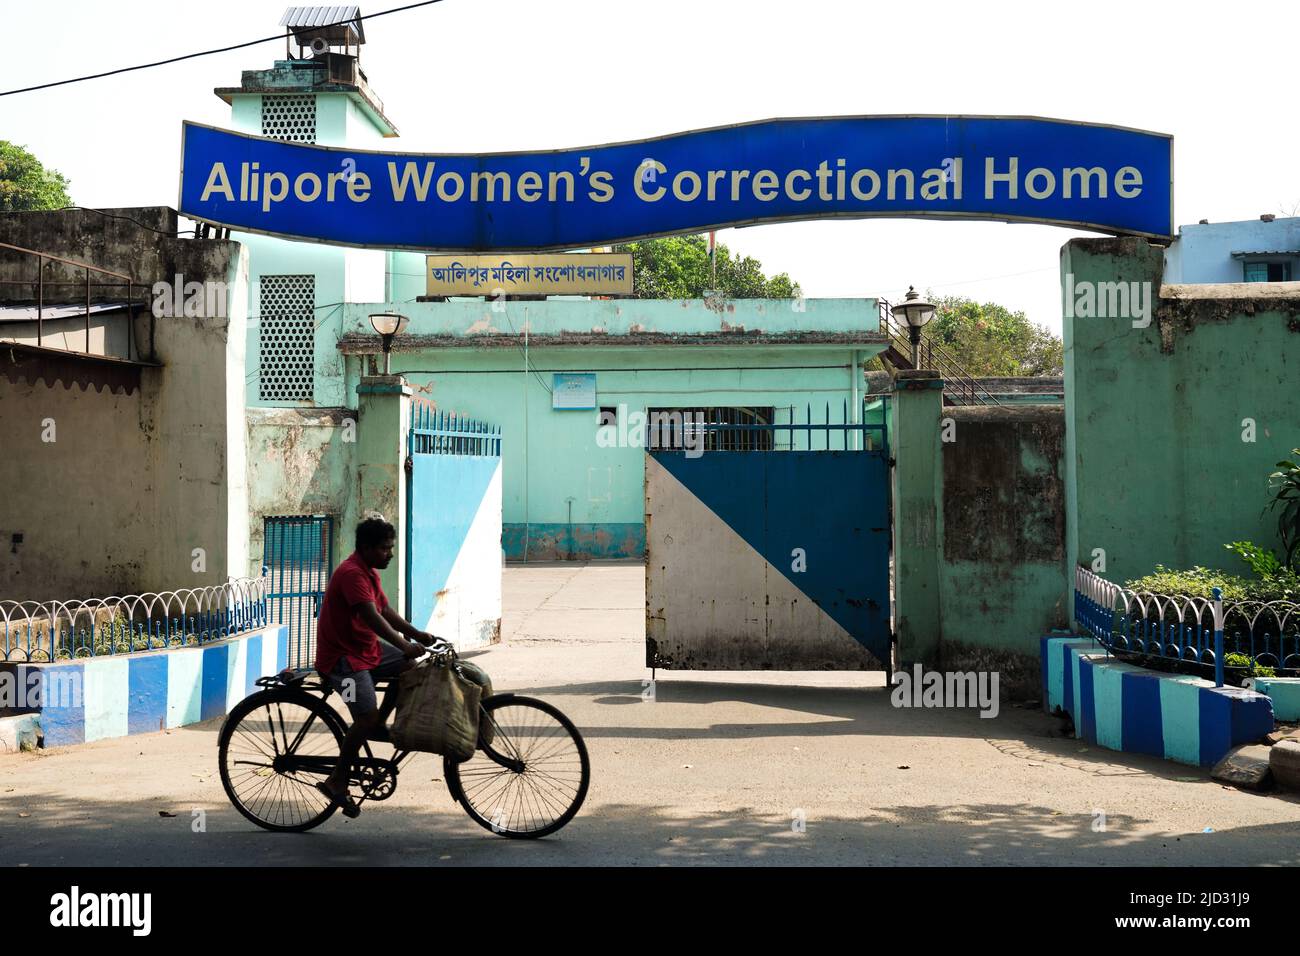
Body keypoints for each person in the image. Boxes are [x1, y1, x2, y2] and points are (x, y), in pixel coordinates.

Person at [314, 516, 441, 817]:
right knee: (364, 718)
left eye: (391, 547)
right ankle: (337, 780)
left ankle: (376, 723)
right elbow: (372, 617)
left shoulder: (368, 572)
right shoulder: (352, 574)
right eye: (385, 548)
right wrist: (403, 642)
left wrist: (416, 634)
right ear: (366, 547)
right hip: (342, 660)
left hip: (363, 649)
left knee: (408, 666)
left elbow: (384, 609)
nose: (390, 554)